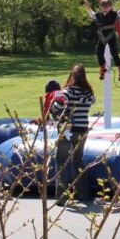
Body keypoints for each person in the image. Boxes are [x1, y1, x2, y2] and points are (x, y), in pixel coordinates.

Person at [51, 64, 95, 205]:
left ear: (71, 76)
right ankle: (82, 193)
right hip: (82, 129)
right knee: (78, 159)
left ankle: (61, 197)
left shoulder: (67, 92)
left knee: (61, 160)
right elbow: (91, 101)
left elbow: (56, 107)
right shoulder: (88, 93)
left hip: (67, 129)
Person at [84, 0, 120, 81]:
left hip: (111, 35)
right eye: (103, 7)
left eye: (107, 7)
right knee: (99, 52)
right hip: (102, 36)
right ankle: (102, 67)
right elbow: (92, 14)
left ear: (110, 7)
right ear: (101, 7)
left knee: (114, 53)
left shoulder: (114, 13)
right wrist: (88, 6)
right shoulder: (99, 14)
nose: (105, 8)